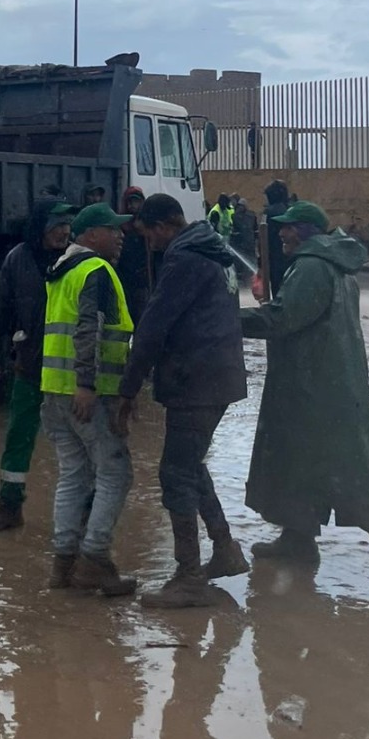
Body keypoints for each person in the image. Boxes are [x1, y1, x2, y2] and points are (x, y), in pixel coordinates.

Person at [244, 201, 369, 575]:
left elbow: (283, 318)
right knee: (299, 461)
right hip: (324, 376)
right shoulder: (333, 266)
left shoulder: (312, 267)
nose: (282, 233)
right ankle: (297, 537)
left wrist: (225, 318)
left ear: (306, 231)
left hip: (315, 383)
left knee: (345, 462)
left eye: (289, 227)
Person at [118, 194, 249, 608]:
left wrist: (128, 388)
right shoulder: (215, 252)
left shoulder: (185, 258)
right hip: (220, 376)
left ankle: (189, 578)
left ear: (162, 227)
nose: (149, 244)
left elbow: (154, 326)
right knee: (189, 465)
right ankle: (224, 549)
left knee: (175, 474)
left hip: (195, 380)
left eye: (148, 235)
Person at [41, 203, 137, 595]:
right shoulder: (94, 270)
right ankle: (95, 558)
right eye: (113, 229)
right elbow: (88, 329)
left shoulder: (61, 270)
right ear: (92, 235)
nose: (120, 235)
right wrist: (86, 385)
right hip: (86, 394)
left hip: (54, 391)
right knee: (116, 473)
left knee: (74, 474)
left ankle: (63, 565)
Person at [0, 200, 76, 532]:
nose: (64, 231)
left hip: (70, 372)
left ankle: (83, 512)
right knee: (18, 436)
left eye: (67, 224)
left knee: (78, 442)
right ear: (40, 227)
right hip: (30, 366)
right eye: (57, 224)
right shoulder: (17, 260)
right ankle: (9, 506)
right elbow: (0, 312)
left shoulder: (77, 260)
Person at [116, 185, 152, 325]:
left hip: (142, 281)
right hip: (124, 278)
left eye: (136, 201)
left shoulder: (148, 225)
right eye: (129, 202)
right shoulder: (121, 226)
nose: (132, 206)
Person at [262, 179, 291, 297]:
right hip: (290, 257)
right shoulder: (290, 210)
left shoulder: (268, 212)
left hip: (274, 257)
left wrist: (261, 262)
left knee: (277, 291)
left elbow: (264, 238)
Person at [229, 196, 258, 288]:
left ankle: (247, 282)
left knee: (242, 264)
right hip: (249, 242)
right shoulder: (252, 215)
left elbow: (235, 229)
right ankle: (250, 282)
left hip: (241, 244)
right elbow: (255, 229)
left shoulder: (235, 216)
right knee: (250, 263)